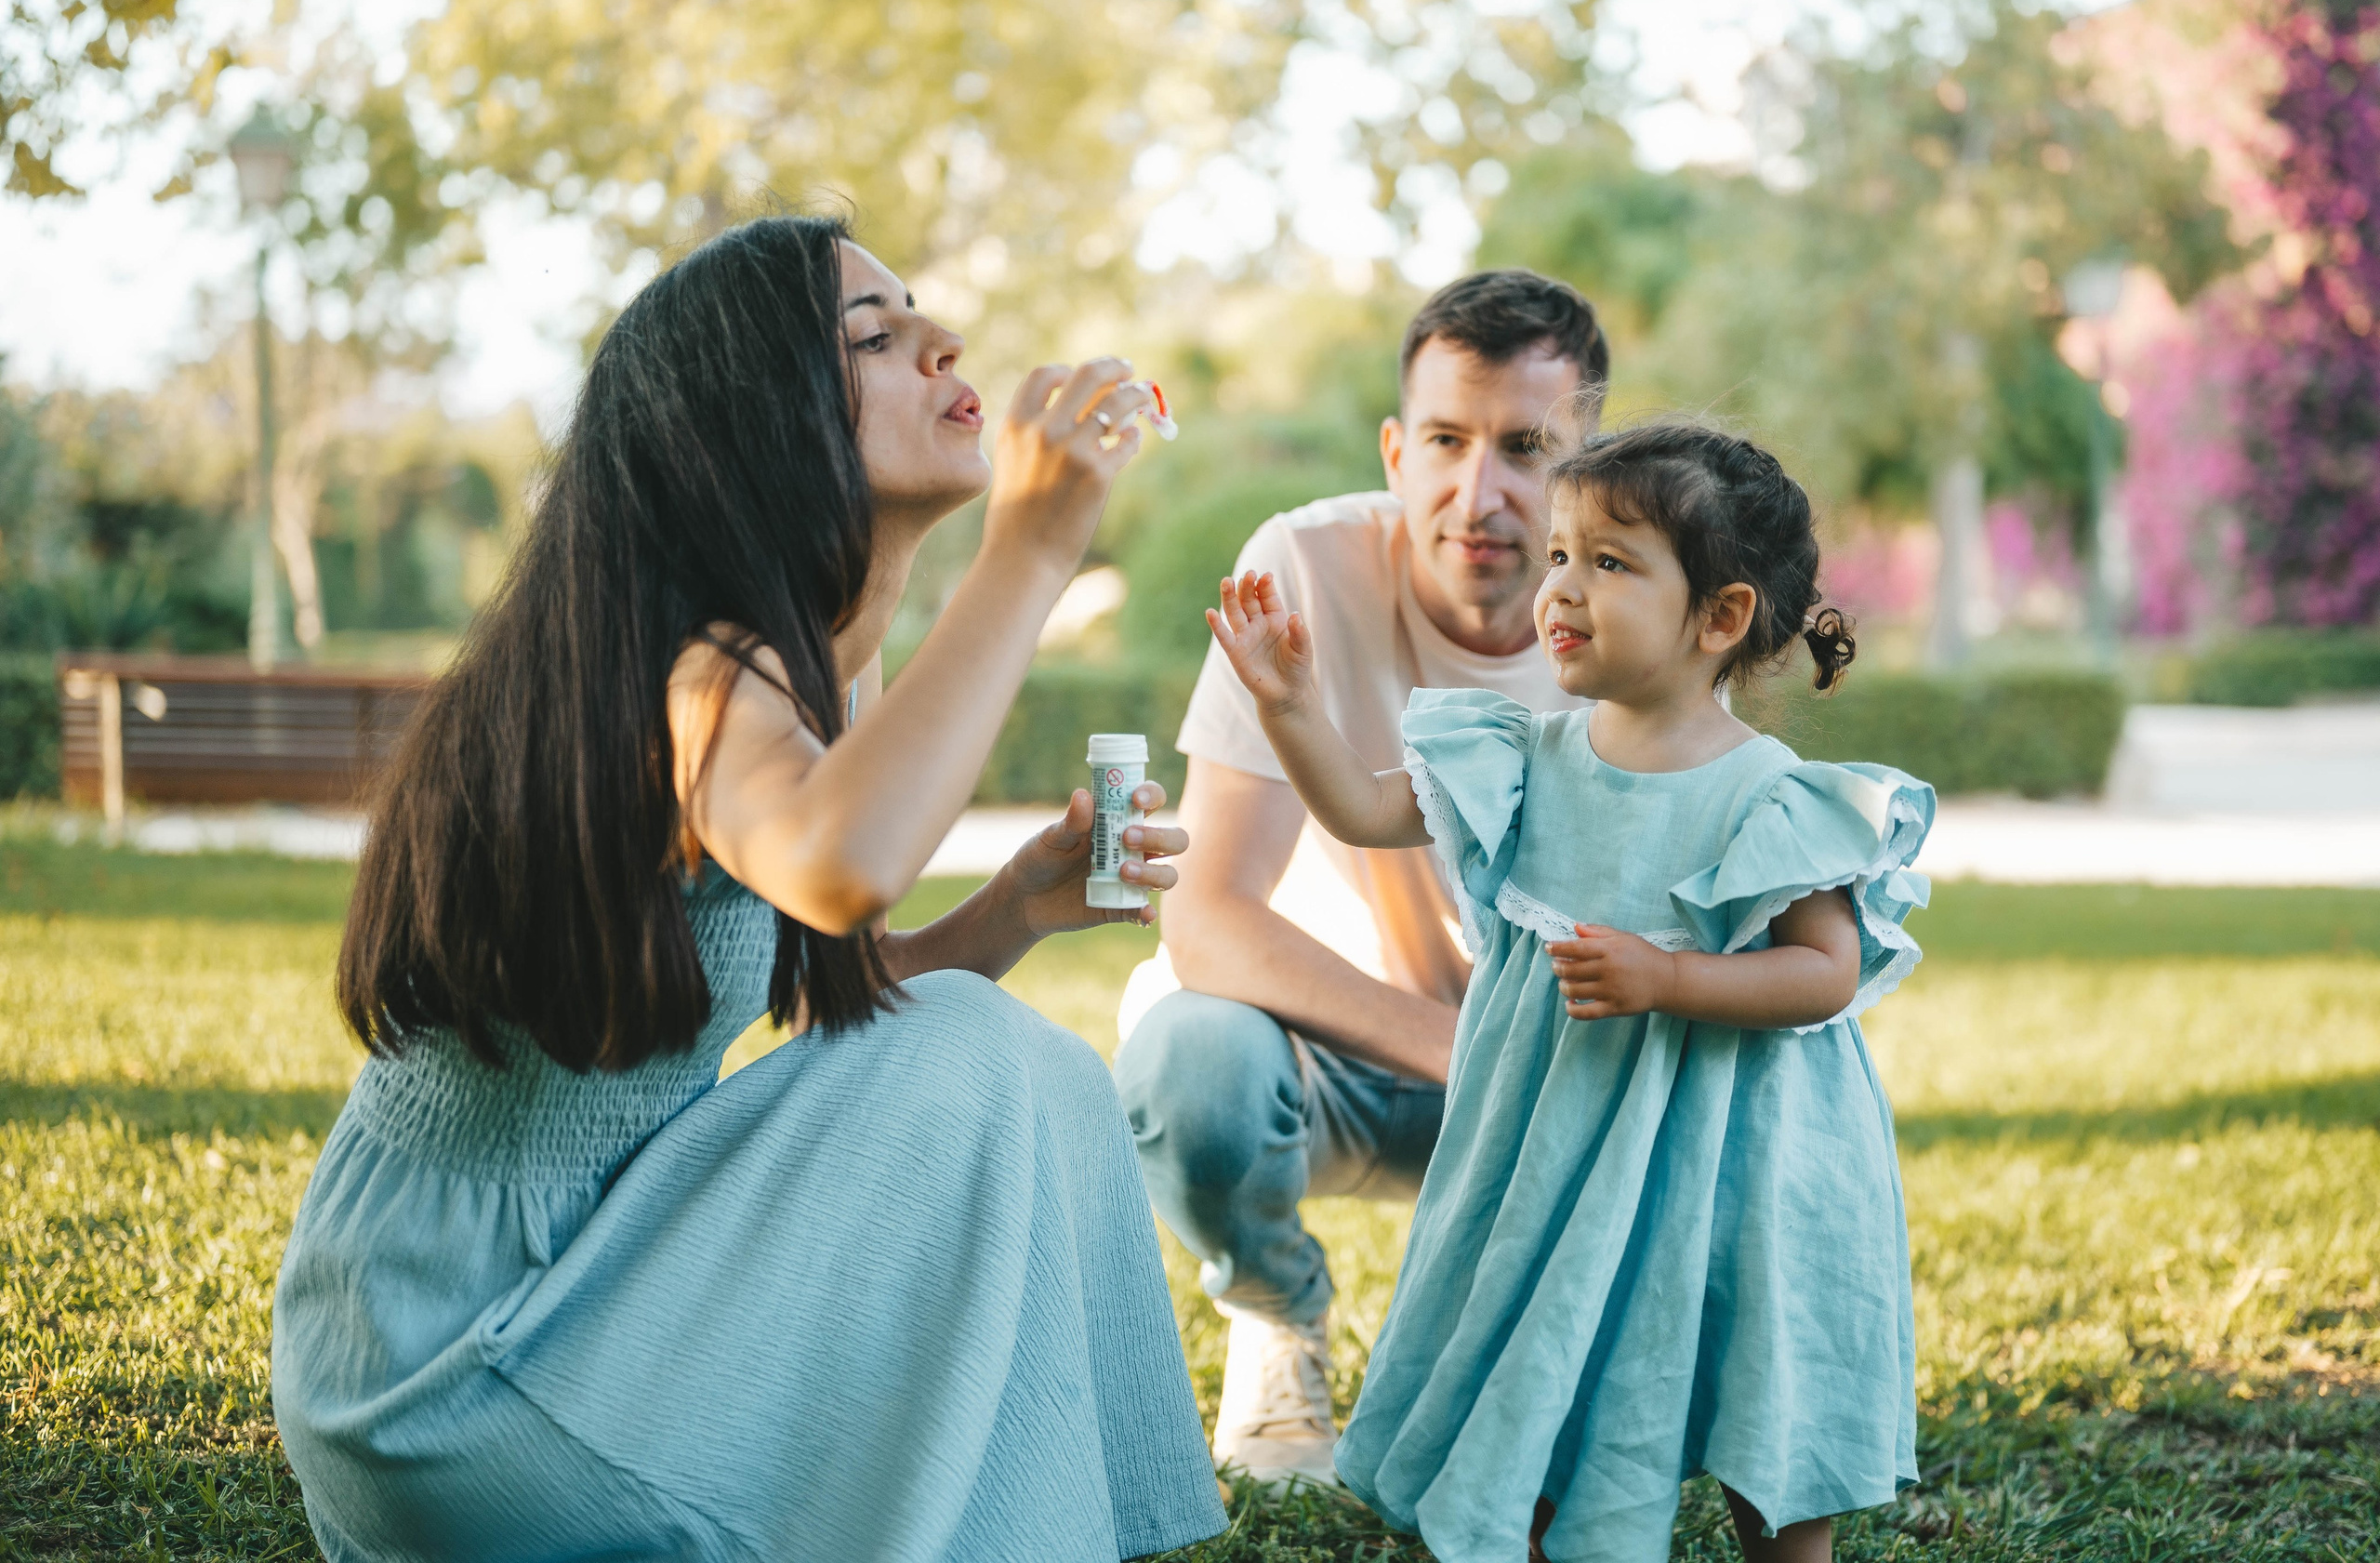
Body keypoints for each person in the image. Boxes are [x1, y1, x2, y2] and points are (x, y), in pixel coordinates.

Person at [270, 215, 1227, 1562]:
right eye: (876, 338)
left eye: (921, 317)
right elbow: (843, 866)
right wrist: (1030, 549)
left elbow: (844, 986)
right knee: (981, 1051)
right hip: (452, 1367)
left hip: (597, 1280)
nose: (945, 343)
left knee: (1034, 1064)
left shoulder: (816, 666)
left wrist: (1013, 905)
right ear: (758, 422)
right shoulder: (696, 670)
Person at [1203, 420, 1933, 1563]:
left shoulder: (1769, 794)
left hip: (1737, 1159)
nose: (1561, 586)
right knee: (1547, 1356)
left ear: (1720, 616)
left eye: (1608, 561)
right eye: (1558, 554)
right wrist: (1289, 705)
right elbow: (1360, 808)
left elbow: (1823, 970)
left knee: (1761, 1372)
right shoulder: (1523, 758)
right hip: (1557, 1146)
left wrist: (1670, 974)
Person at [1112, 270, 1608, 1486]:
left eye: (1526, 448)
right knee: (1187, 1058)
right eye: (1445, 440)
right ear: (1396, 449)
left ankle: (1530, 1339)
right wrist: (1459, 1048)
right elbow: (1206, 916)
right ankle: (1276, 1311)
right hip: (1325, 1053)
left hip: (1544, 1081)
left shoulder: (1634, 613)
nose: (1477, 494)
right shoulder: (1301, 565)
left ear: (1589, 468)